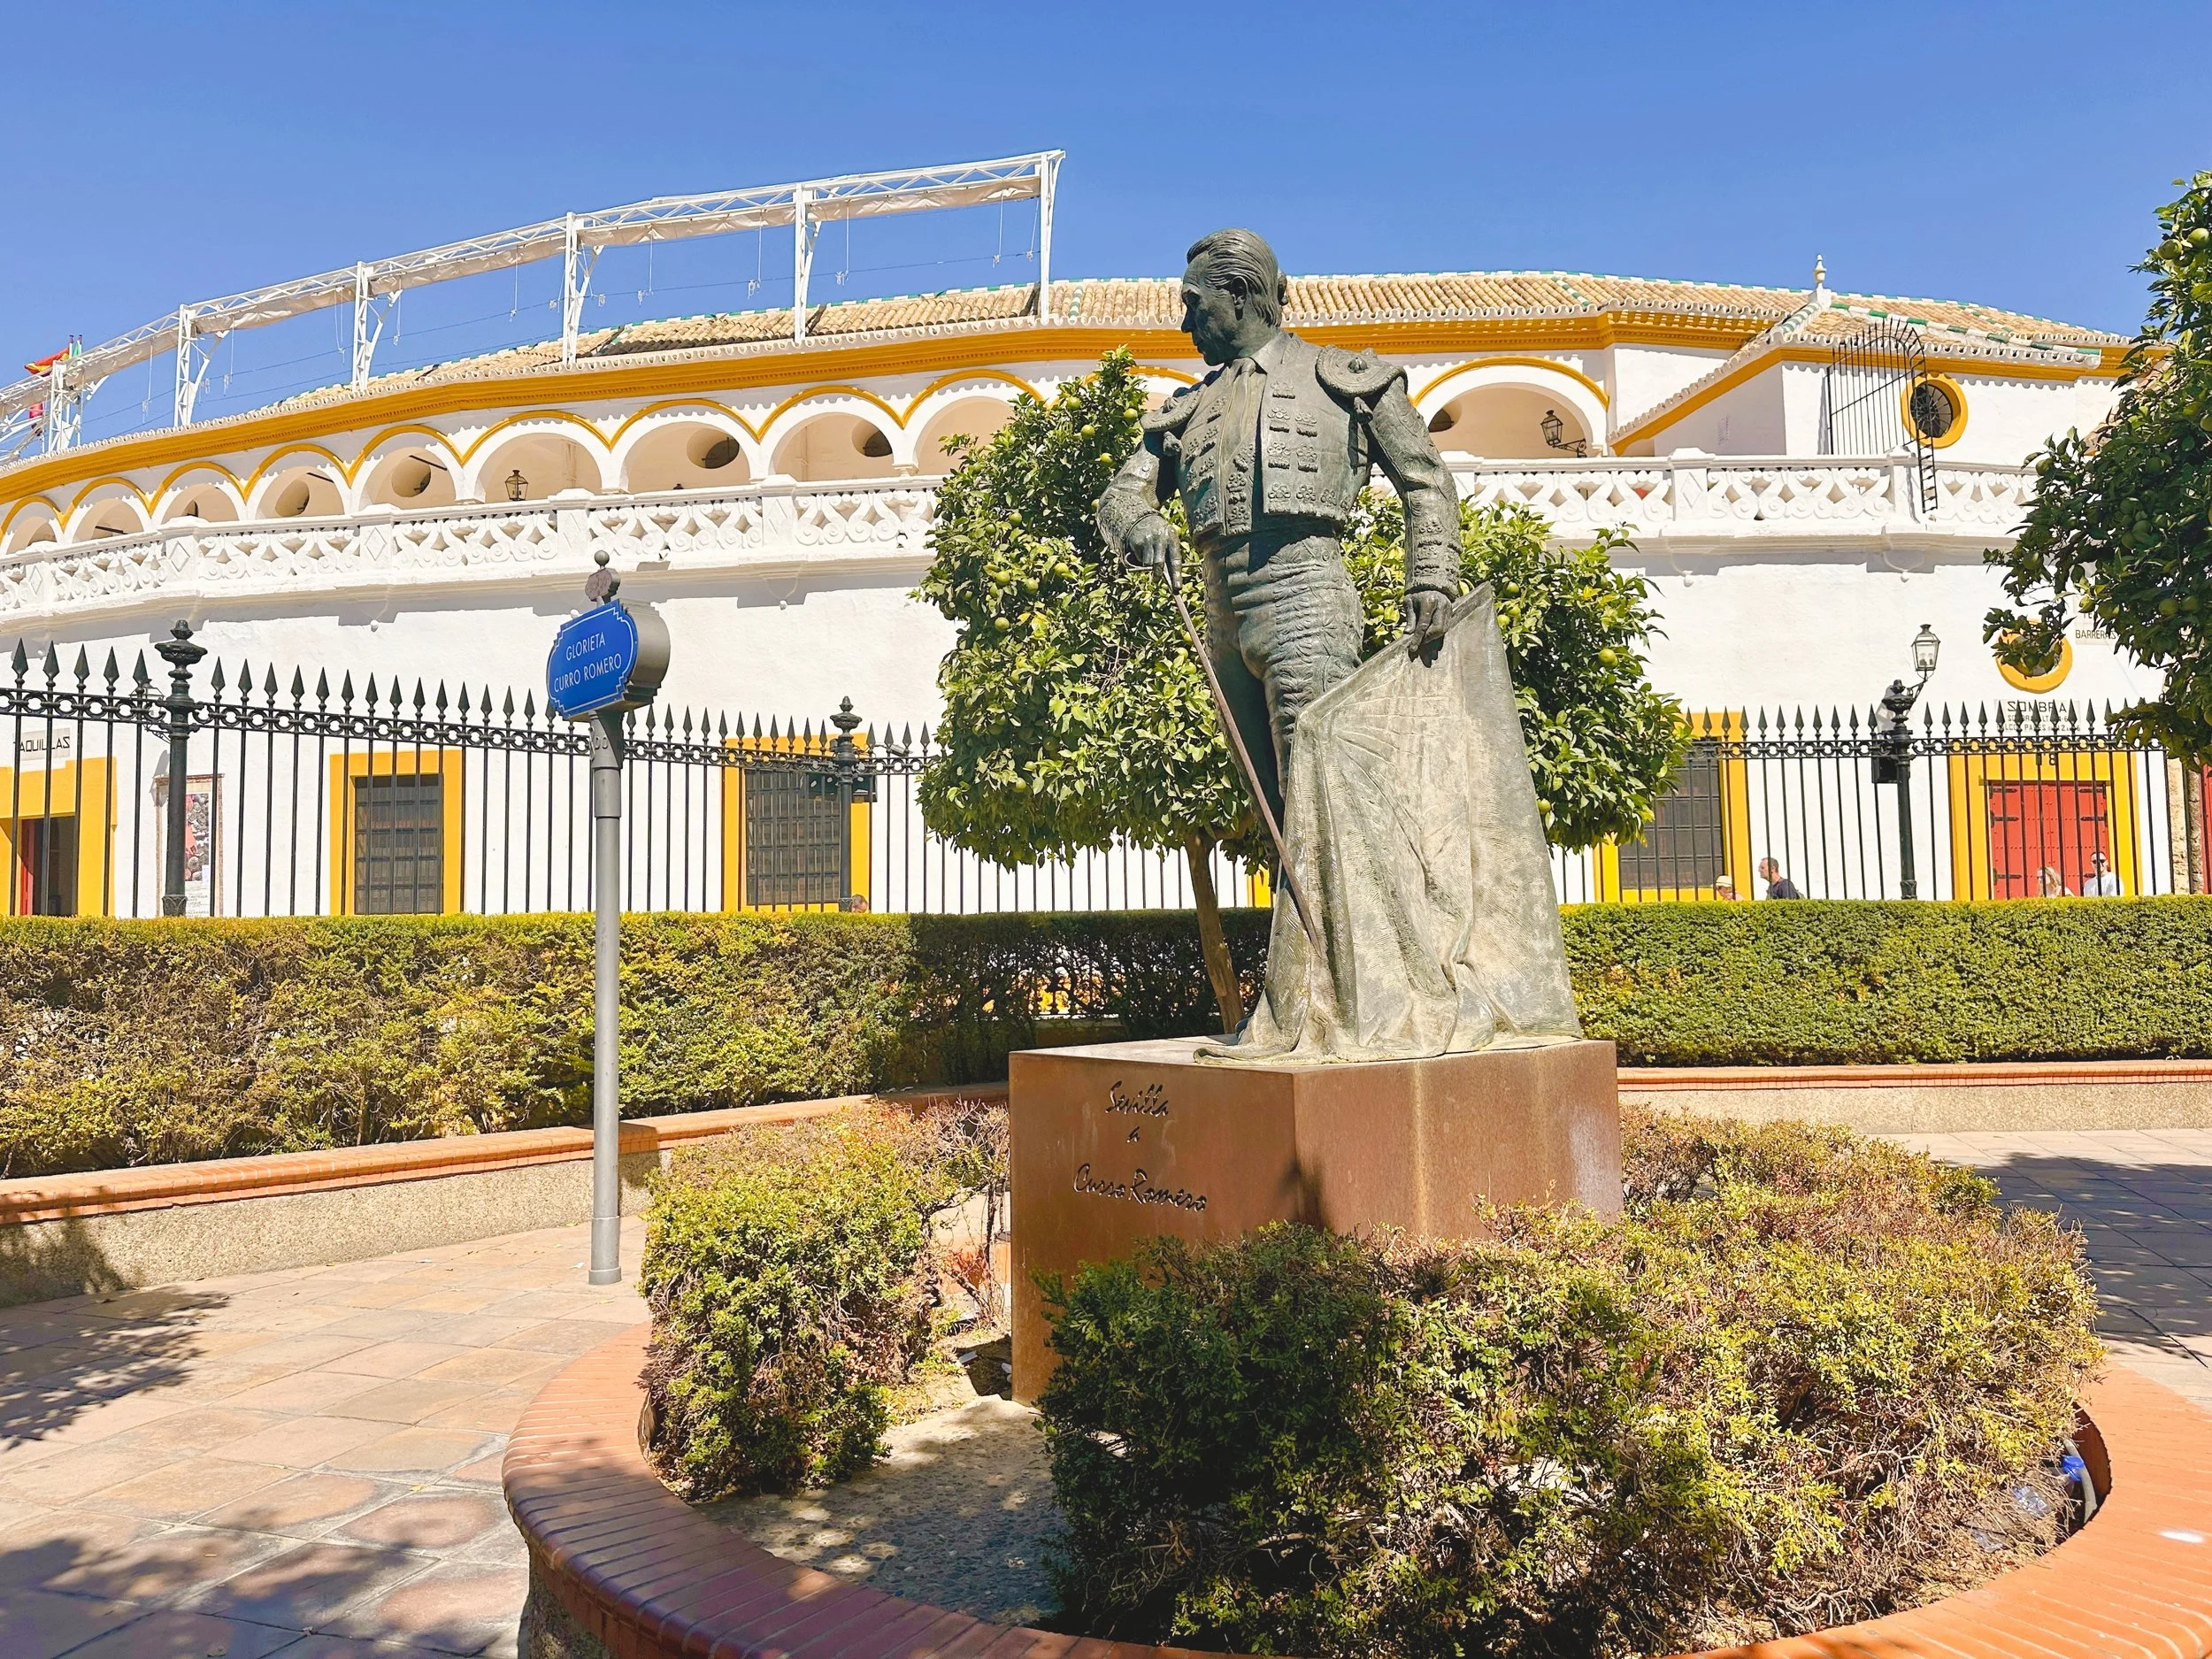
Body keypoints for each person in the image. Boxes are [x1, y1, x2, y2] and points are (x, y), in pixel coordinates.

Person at [1097, 227, 1460, 832]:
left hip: (1306, 597)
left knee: (1320, 794)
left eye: (1194, 303)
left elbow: (1426, 482)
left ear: (1237, 293)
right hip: (1221, 614)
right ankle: (1303, 927)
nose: (1185, 325)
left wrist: (1432, 577)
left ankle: (1352, 926)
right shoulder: (1187, 406)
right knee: (1274, 814)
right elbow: (1121, 493)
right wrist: (1140, 521)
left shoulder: (1342, 377)